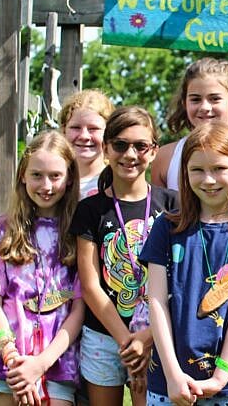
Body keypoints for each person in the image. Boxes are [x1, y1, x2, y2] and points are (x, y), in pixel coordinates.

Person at [141, 122, 228, 406]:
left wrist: (221, 377)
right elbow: (156, 303)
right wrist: (172, 374)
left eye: (219, 169)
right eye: (197, 170)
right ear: (184, 173)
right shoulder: (166, 229)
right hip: (171, 381)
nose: (208, 179)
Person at [70, 107, 179, 406]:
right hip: (104, 336)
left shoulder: (173, 204)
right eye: (120, 145)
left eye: (140, 146)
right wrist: (125, 341)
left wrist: (146, 338)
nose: (130, 154)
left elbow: (179, 278)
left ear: (154, 151)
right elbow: (90, 285)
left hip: (157, 335)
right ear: (106, 149)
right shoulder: (90, 210)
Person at [0, 130, 85, 405]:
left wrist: (41, 364)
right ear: (23, 175)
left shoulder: (78, 232)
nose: (46, 185)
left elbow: (79, 308)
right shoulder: (1, 230)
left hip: (57, 362)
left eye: (55, 176)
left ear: (69, 179)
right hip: (8, 361)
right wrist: (13, 358)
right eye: (36, 175)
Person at [151, 57, 228, 191]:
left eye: (214, 99)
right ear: (184, 103)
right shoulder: (165, 157)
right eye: (195, 99)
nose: (204, 107)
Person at [59, 89, 115, 198]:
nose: (84, 136)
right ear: (64, 130)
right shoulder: (52, 182)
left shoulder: (116, 183)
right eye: (75, 128)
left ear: (109, 132)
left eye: (93, 128)